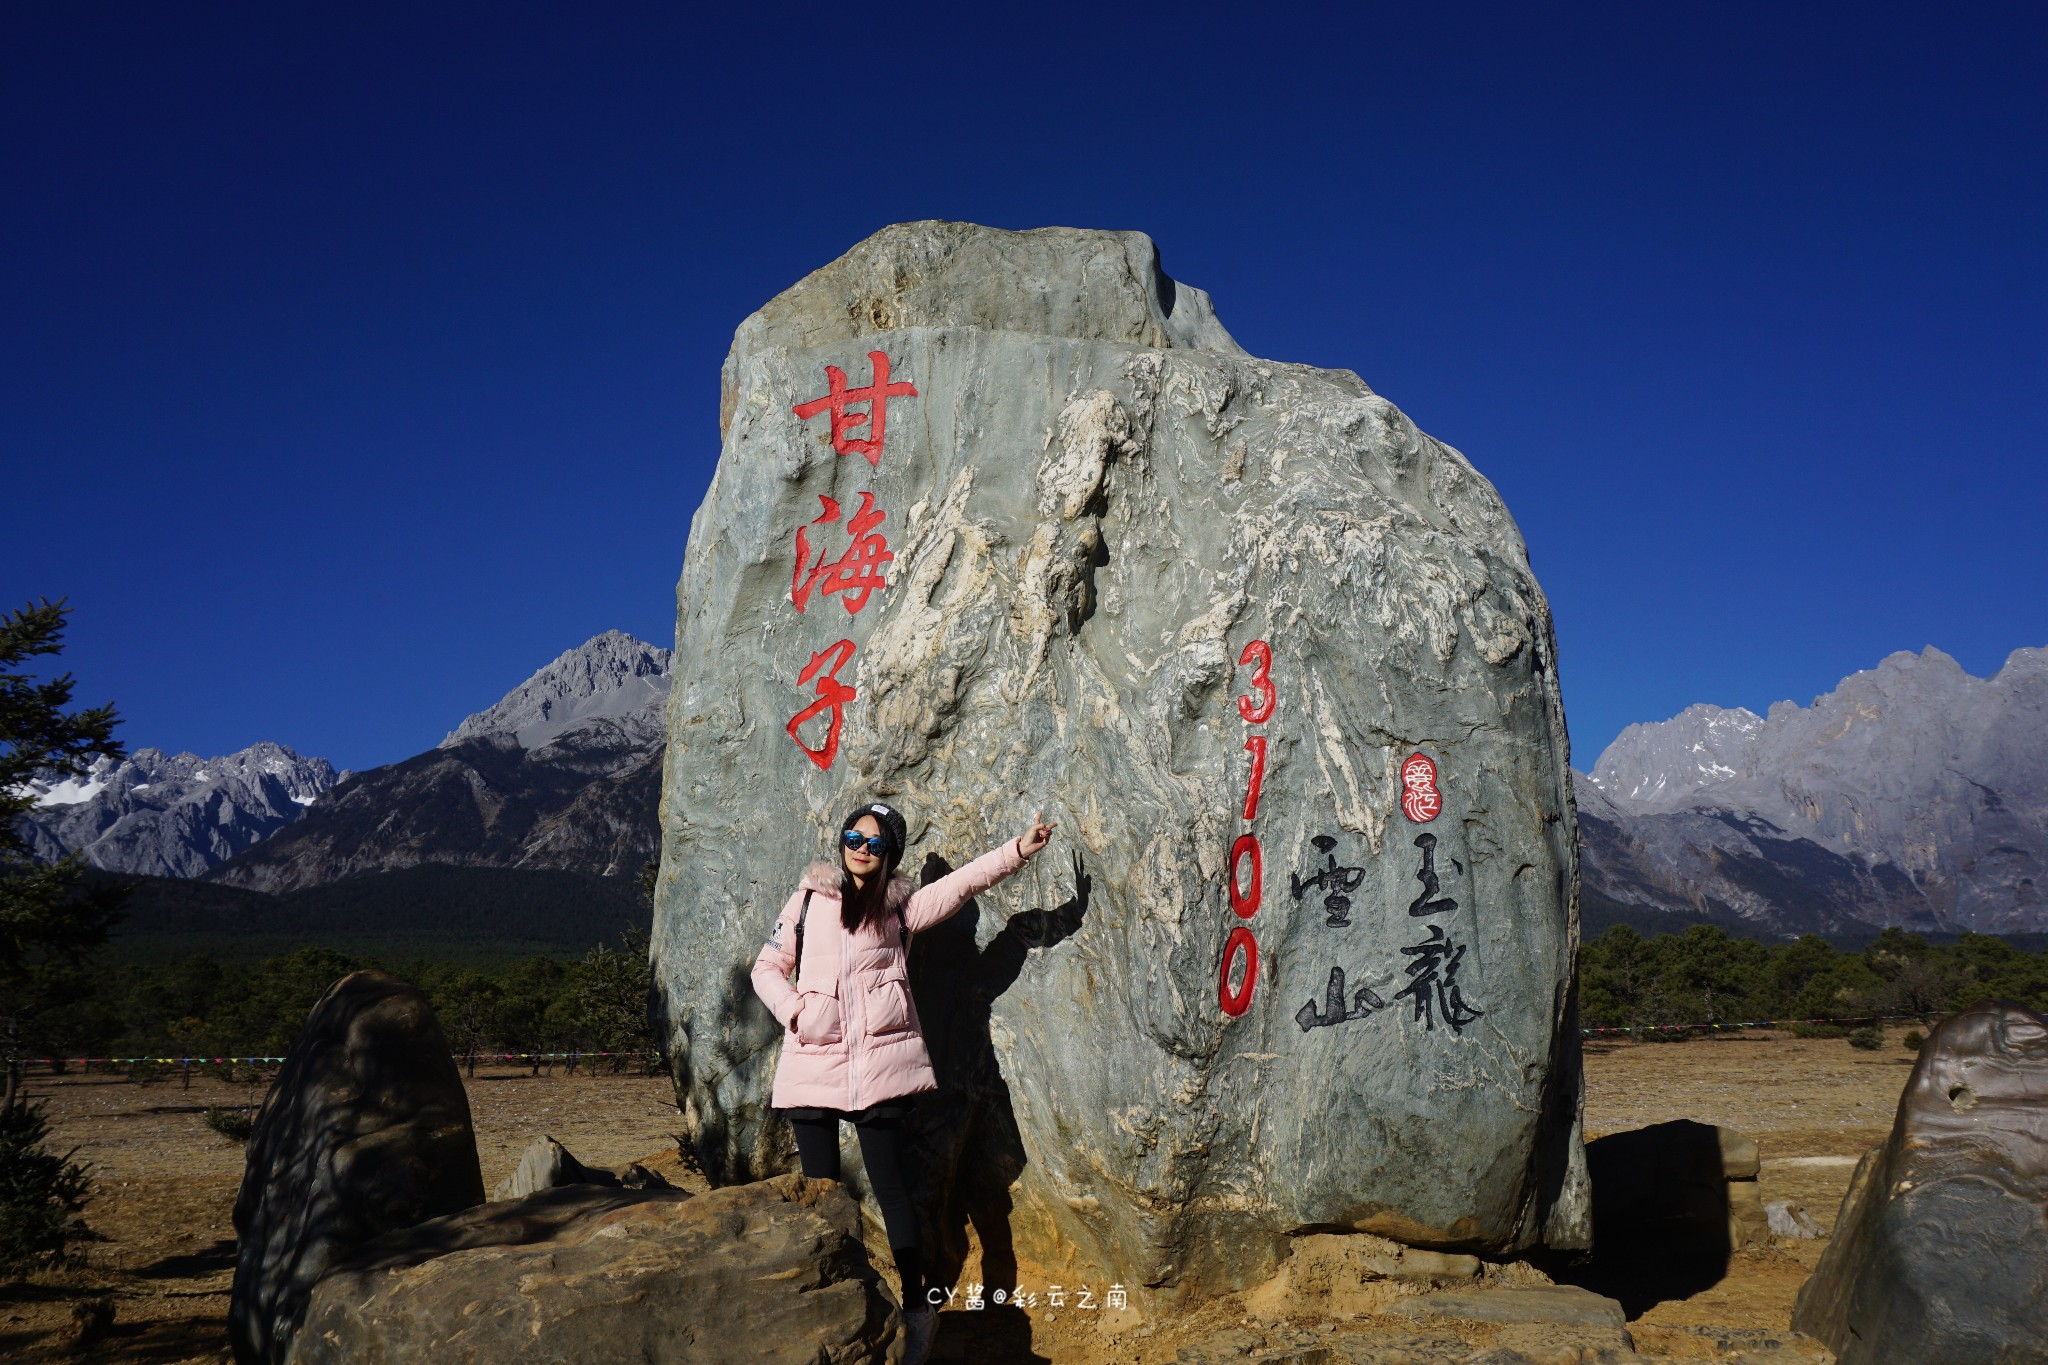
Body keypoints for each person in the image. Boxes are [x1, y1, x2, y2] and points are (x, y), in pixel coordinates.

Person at [751, 800, 1056, 1365]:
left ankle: (918, 1312)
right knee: (821, 1194)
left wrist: (1018, 850)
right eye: (853, 837)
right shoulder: (808, 899)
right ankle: (834, 1303)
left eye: (875, 843)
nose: (861, 849)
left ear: (891, 853)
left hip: (879, 1066)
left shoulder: (902, 909)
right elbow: (765, 968)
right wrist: (796, 1012)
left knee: (893, 1194)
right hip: (813, 1059)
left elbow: (964, 884)